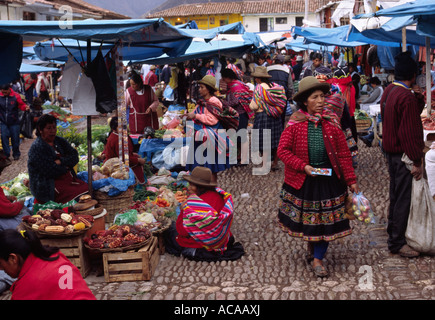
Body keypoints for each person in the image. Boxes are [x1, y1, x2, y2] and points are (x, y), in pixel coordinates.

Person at [277, 76, 359, 277]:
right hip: (304, 181)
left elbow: (343, 154)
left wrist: (351, 180)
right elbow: (283, 151)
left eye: (323, 96)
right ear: (305, 101)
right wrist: (303, 166)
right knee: (310, 220)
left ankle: (318, 259)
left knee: (325, 221)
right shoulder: (295, 124)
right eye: (316, 97)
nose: (321, 101)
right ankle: (313, 248)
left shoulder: (332, 122)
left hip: (329, 181)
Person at [381, 51, 425, 258]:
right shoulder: (404, 97)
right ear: (413, 75)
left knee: (396, 194)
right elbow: (410, 133)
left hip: (390, 151)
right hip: (401, 155)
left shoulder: (389, 91)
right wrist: (417, 159)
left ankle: (394, 233)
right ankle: (397, 241)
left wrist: (417, 96)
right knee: (403, 198)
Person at [164, 166, 245, 262]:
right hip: (221, 240)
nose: (188, 188)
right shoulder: (218, 196)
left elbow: (183, 232)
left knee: (169, 232)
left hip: (201, 245)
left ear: (200, 187)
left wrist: (183, 211)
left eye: (192, 185)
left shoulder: (192, 205)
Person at [0, 229, 95, 300]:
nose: (1, 269)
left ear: (13, 258)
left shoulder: (24, 288)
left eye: (0, 264)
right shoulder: (53, 255)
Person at [27, 114, 88, 204]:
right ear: (40, 130)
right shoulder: (37, 147)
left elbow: (74, 156)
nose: (52, 131)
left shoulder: (59, 141)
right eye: (49, 128)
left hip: (67, 180)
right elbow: (49, 170)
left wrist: (61, 161)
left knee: (87, 189)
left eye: (54, 127)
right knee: (78, 195)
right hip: (48, 185)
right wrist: (66, 166)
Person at [183, 75, 233, 183]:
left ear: (209, 89)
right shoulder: (203, 102)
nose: (199, 90)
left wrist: (195, 116)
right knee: (202, 165)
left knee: (211, 168)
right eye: (199, 87)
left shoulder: (214, 101)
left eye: (202, 87)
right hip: (202, 137)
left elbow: (213, 120)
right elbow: (196, 113)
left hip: (210, 139)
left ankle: (212, 190)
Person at [249, 66, 287, 174]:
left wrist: (254, 105)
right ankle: (274, 163)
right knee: (275, 139)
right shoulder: (275, 86)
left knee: (263, 140)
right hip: (275, 116)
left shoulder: (259, 88)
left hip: (263, 116)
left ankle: (265, 164)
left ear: (258, 78)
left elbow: (254, 106)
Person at [221, 68, 254, 165]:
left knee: (240, 136)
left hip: (240, 115)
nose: (223, 80)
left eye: (223, 78)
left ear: (227, 77)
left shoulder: (235, 86)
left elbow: (235, 101)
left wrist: (224, 103)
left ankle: (244, 159)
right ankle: (239, 157)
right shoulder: (236, 84)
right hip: (240, 114)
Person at [101, 117, 146, 184]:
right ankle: (137, 185)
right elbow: (124, 159)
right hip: (116, 166)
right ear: (114, 129)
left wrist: (132, 154)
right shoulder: (117, 139)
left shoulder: (117, 135)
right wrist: (138, 160)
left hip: (117, 161)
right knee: (137, 165)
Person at [0, 83, 29, 161]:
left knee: (15, 138)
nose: (4, 93)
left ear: (9, 89)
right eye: (2, 92)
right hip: (3, 121)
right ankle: (6, 154)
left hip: (14, 121)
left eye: (5, 92)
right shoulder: (0, 95)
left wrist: (25, 107)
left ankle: (16, 154)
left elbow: (21, 105)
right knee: (4, 137)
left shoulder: (16, 96)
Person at [267, 54, 294, 128]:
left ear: (274, 61)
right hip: (282, 99)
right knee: (281, 119)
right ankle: (280, 135)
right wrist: (287, 98)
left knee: (270, 118)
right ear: (283, 62)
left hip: (270, 98)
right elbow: (290, 87)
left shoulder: (268, 69)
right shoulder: (287, 70)